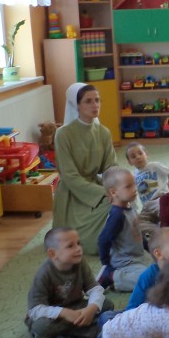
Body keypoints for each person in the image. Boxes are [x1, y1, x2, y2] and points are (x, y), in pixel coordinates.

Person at [25, 227, 114, 338]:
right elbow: (35, 310)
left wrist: (91, 308)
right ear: (52, 254)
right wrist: (64, 313)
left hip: (76, 306)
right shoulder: (43, 274)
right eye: (70, 246)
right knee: (40, 327)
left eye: (79, 243)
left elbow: (95, 288)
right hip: (53, 315)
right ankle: (86, 332)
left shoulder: (80, 263)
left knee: (107, 304)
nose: (78, 249)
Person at [52, 83, 117, 256]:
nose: (95, 105)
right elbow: (70, 177)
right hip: (73, 193)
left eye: (97, 100)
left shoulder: (103, 132)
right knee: (113, 203)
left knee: (124, 197)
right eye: (88, 101)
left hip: (96, 185)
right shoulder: (63, 134)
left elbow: (111, 167)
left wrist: (117, 185)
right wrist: (104, 192)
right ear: (77, 105)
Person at [98, 227, 169, 327]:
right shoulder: (149, 275)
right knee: (106, 317)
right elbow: (133, 307)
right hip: (143, 317)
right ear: (158, 254)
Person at [95, 166, 153, 292]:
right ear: (113, 193)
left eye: (134, 184)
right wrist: (106, 264)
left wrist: (151, 248)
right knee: (148, 281)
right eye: (128, 187)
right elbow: (103, 240)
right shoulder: (117, 215)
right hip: (124, 262)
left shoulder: (130, 208)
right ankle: (111, 276)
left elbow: (137, 233)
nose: (135, 189)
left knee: (158, 270)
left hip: (137, 257)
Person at [124, 142, 169, 241]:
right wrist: (134, 210)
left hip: (160, 199)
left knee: (164, 214)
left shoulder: (154, 166)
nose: (138, 157)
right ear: (129, 162)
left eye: (140, 153)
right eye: (133, 156)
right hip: (147, 206)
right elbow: (133, 195)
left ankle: (168, 232)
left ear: (146, 154)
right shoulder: (133, 176)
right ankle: (157, 233)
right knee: (138, 223)